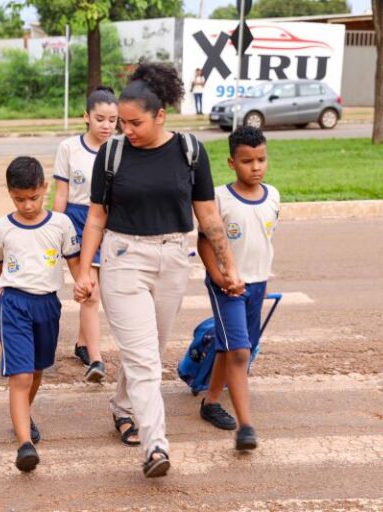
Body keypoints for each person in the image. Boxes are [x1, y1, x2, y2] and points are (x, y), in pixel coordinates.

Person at [73, 62, 244, 478]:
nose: (125, 130)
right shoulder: (112, 154)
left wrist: (229, 266)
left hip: (172, 258)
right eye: (122, 122)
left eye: (135, 123)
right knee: (145, 359)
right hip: (124, 257)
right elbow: (97, 216)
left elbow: (207, 214)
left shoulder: (189, 151)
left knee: (150, 349)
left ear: (160, 115)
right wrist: (84, 269)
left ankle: (123, 406)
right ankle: (156, 446)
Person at [0, 156, 81, 472]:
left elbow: (73, 259)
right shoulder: (2, 228)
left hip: (48, 305)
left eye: (33, 197)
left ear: (44, 188)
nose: (27, 205)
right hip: (13, 303)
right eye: (19, 199)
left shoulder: (61, 224)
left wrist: (84, 281)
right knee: (21, 375)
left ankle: (23, 416)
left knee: (38, 370)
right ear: (10, 193)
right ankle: (25, 444)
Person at [196, 126, 279, 451]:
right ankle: (246, 427)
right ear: (232, 163)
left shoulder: (273, 196)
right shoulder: (220, 198)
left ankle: (211, 402)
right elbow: (204, 243)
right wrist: (219, 278)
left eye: (261, 159)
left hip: (257, 285)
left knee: (229, 348)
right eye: (247, 161)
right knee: (240, 352)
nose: (255, 167)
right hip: (226, 287)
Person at [53, 85, 118, 382]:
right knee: (90, 292)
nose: (106, 125)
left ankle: (83, 343)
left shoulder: (119, 150)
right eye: (100, 118)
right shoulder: (69, 148)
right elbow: (61, 194)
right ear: (86, 117)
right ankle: (96, 359)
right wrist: (54, 228)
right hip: (76, 222)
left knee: (89, 291)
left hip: (107, 223)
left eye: (113, 120)